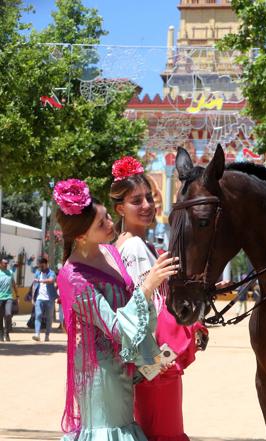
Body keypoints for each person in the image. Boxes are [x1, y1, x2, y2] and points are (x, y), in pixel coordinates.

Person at [54, 178, 179, 441]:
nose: (111, 224)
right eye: (102, 224)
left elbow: (130, 307)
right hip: (100, 372)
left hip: (124, 365)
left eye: (108, 218)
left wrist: (153, 359)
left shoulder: (111, 252)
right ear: (80, 235)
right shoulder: (73, 278)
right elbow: (115, 327)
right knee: (109, 431)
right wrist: (148, 286)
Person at [110, 156, 207, 441]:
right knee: (164, 432)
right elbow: (148, 305)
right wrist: (154, 360)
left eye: (149, 198)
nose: (147, 206)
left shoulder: (129, 245)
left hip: (148, 359)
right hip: (156, 359)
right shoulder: (137, 247)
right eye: (136, 201)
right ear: (120, 208)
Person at [32, 257, 58, 342]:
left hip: (49, 299)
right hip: (39, 298)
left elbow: (51, 280)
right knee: (38, 315)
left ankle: (47, 335)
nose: (41, 268)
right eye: (39, 266)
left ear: (46, 264)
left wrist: (40, 280)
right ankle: (37, 334)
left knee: (49, 318)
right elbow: (34, 285)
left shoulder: (51, 272)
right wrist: (33, 297)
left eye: (42, 266)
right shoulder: (37, 273)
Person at [0, 258, 18, 342]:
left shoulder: (10, 273)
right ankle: (1, 333)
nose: (6, 264)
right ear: (0, 264)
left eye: (7, 263)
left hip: (8, 297)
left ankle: (6, 332)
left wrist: (17, 295)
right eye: (4, 263)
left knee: (8, 314)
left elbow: (14, 284)